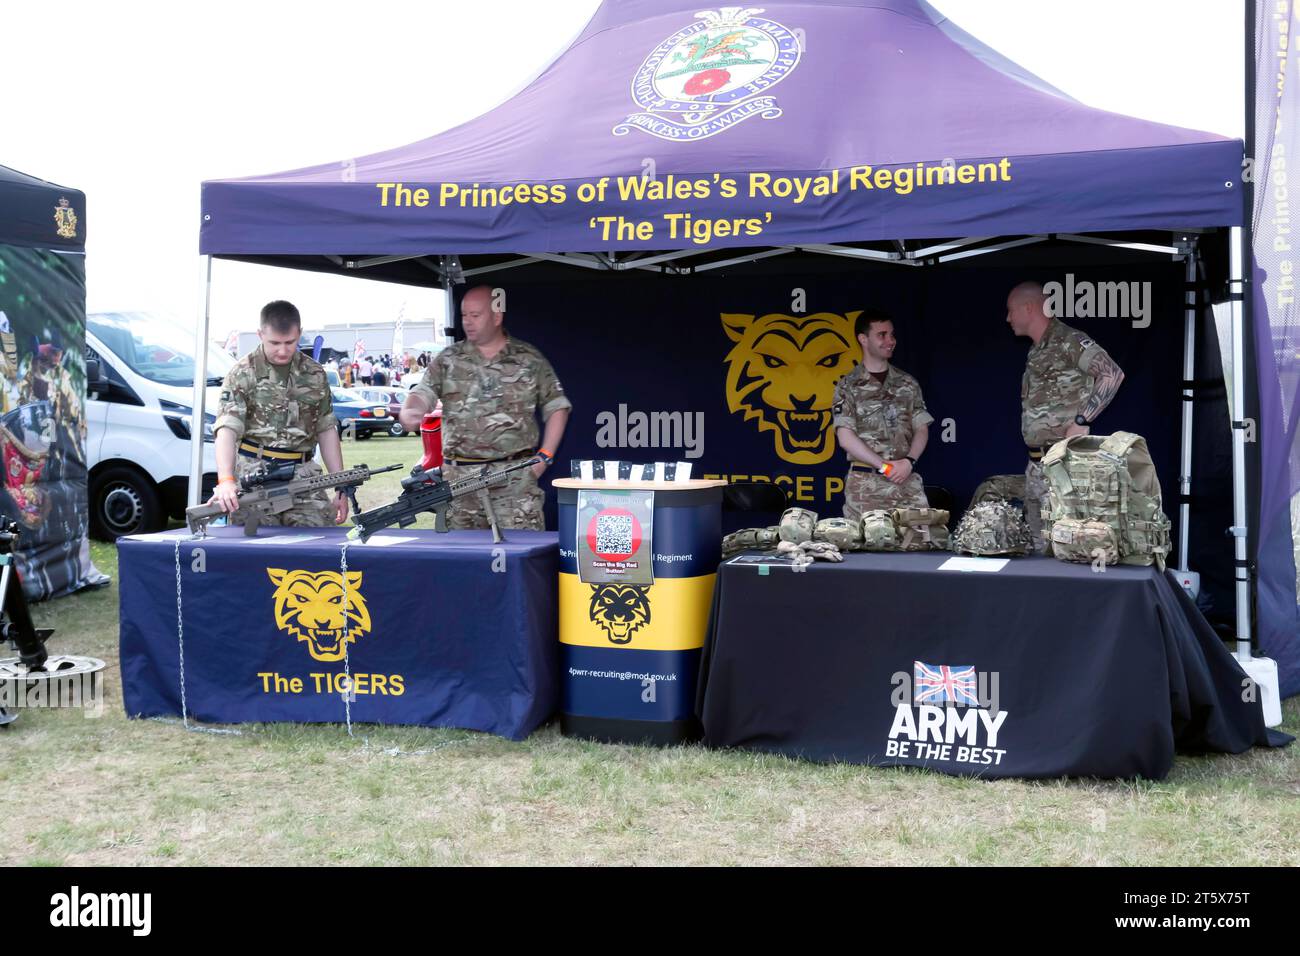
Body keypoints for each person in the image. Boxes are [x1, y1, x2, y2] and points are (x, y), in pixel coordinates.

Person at [399, 285, 571, 530]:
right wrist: (411, 410)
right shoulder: (449, 359)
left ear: (497, 316)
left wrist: (544, 457)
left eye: (475, 315)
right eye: (464, 315)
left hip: (514, 484)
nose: (468, 322)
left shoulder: (528, 359)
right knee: (462, 563)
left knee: (519, 562)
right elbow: (422, 393)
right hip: (459, 485)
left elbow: (557, 407)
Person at [208, 301, 350, 528]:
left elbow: (326, 429)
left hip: (303, 477)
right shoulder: (242, 373)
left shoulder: (314, 373)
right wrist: (225, 480)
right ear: (260, 334)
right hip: (255, 477)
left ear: (299, 334)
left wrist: (340, 484)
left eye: (290, 342)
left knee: (319, 548)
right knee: (255, 553)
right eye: (274, 343)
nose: (282, 350)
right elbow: (226, 429)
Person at [1007, 281, 1125, 551]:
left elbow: (1112, 373)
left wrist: (1083, 420)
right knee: (1039, 548)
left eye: (1011, 310)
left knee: (1069, 547)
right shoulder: (1037, 350)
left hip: (1065, 467)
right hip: (1038, 465)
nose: (1008, 318)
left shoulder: (1068, 340)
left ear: (1028, 308)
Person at [832, 309, 932, 520]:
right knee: (866, 549)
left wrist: (908, 461)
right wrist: (885, 467)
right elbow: (846, 438)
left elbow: (921, 428)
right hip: (866, 487)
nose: (890, 340)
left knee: (921, 545)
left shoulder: (907, 383)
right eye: (882, 335)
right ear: (863, 339)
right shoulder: (847, 386)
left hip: (906, 482)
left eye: (892, 334)